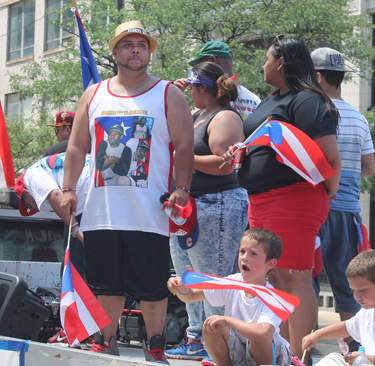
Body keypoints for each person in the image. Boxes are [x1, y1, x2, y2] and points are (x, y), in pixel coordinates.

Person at [61, 20, 194, 364]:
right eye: (127, 44)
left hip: (149, 211)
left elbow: (184, 144)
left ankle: (155, 344)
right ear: (115, 51)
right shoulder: (94, 94)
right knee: (106, 285)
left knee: (152, 284)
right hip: (100, 211)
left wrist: (182, 188)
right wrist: (68, 188)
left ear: (149, 51)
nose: (135, 49)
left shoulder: (168, 93)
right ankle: (105, 341)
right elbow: (76, 146)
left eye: (141, 44)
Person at [223, 35, 342, 356]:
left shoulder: (306, 101)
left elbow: (330, 159)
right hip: (260, 200)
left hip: (295, 198)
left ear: (281, 62)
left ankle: (296, 357)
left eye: (266, 59)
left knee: (293, 275)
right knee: (271, 275)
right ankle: (279, 354)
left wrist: (324, 193)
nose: (262, 65)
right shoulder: (270, 101)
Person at [165, 62, 249, 365]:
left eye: (191, 87)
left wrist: (184, 157)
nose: (189, 93)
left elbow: (226, 164)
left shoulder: (224, 116)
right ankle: (196, 338)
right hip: (188, 206)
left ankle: (219, 343)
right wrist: (171, 97)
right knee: (188, 276)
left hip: (218, 203)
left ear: (203, 87)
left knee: (213, 278)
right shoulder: (195, 115)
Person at [311, 47, 375, 349]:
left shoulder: (313, 113)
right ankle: (353, 350)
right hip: (348, 211)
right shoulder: (359, 118)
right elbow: (369, 168)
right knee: (349, 286)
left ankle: (302, 348)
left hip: (316, 210)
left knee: (306, 282)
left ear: (319, 77)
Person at [168, 228, 292, 366]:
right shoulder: (232, 282)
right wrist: (180, 288)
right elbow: (190, 296)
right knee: (211, 325)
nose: (245, 257)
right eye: (242, 251)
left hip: (272, 356)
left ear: (270, 264)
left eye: (253, 254)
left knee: (257, 336)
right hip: (240, 349)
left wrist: (228, 320)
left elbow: (262, 333)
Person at [14, 152, 91, 347]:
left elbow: (57, 196)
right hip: (101, 189)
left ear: (25, 192)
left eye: (29, 204)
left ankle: (71, 332)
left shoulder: (32, 175)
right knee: (97, 272)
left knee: (72, 272)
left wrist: (76, 231)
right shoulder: (52, 166)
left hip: (84, 199)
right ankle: (98, 334)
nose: (34, 208)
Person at [176, 40, 261, 119]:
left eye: (202, 63)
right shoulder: (254, 99)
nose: (200, 67)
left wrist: (176, 98)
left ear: (212, 60)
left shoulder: (208, 96)